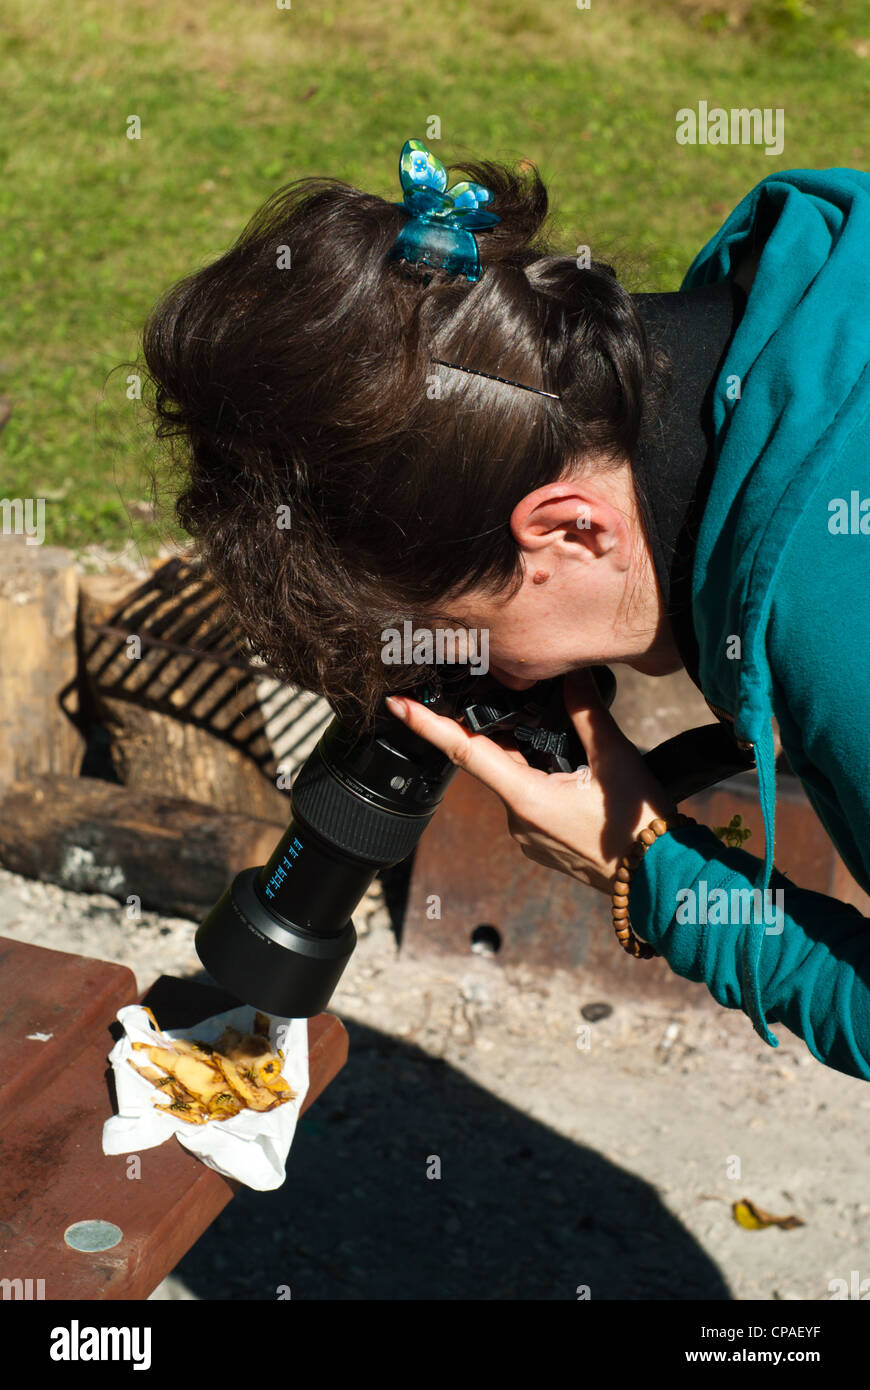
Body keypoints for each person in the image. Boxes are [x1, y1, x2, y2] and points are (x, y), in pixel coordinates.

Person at [142, 141, 870, 1081]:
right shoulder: (773, 326)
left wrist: (648, 870)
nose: (456, 678)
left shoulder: (834, 606)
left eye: (448, 635)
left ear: (572, 530)